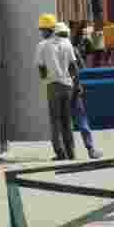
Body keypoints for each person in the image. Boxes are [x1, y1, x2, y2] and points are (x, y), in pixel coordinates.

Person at [35, 16, 79, 160]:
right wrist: (77, 85)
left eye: (42, 30)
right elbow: (74, 67)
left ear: (48, 30)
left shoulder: (42, 45)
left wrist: (46, 77)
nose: (41, 33)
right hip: (68, 85)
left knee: (55, 121)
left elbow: (41, 69)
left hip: (53, 85)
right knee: (67, 120)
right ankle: (71, 152)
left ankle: (60, 153)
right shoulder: (67, 43)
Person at [71, 28, 103, 160]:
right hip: (73, 88)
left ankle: (67, 153)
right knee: (81, 118)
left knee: (64, 123)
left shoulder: (45, 47)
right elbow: (81, 69)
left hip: (57, 88)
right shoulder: (72, 49)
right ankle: (90, 149)